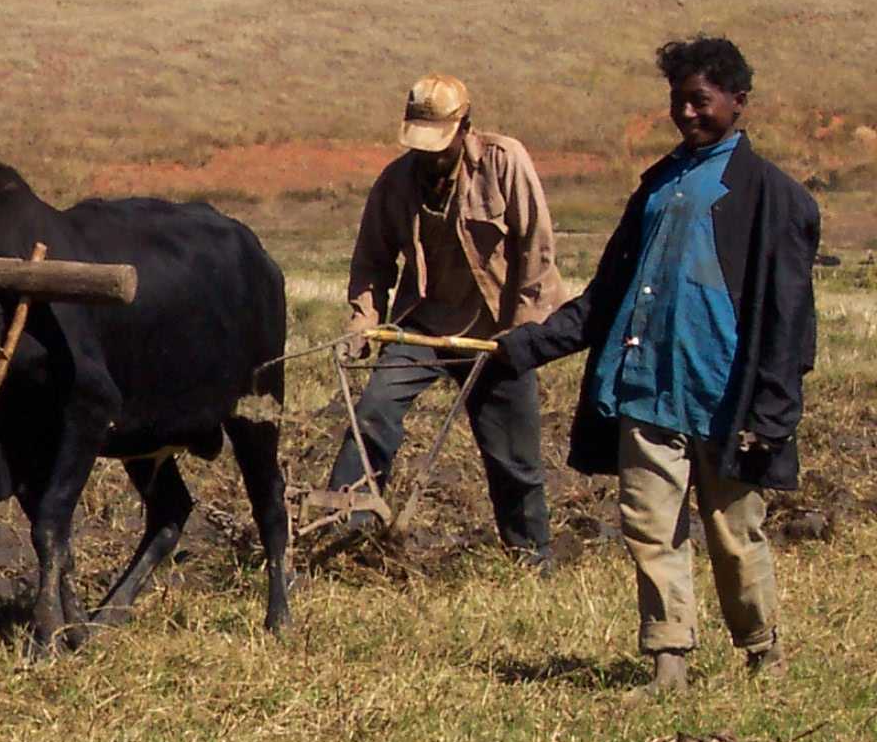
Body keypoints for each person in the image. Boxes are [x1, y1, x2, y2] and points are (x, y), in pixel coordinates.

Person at [498, 37, 817, 693]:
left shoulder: (772, 196)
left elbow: (789, 322)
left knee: (734, 536)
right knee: (649, 527)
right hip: (646, 389)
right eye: (678, 101)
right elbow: (605, 299)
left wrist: (774, 412)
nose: (687, 113)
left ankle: (763, 653)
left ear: (738, 102)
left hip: (725, 401)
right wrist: (526, 347)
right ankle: (669, 660)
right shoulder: (658, 185)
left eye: (700, 100)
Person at [327, 74, 566, 562]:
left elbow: (536, 250)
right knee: (371, 415)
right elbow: (372, 262)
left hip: (496, 330)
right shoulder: (395, 183)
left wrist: (523, 331)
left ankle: (530, 557)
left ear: (465, 128)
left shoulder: (504, 163)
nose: (429, 156)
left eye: (439, 145)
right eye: (421, 145)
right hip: (422, 326)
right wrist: (362, 323)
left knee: (513, 457)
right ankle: (343, 537)